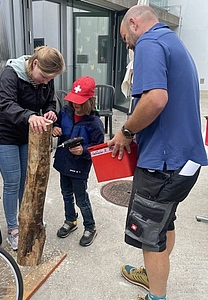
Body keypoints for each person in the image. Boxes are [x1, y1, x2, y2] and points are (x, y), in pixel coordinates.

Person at [108, 5, 208, 300]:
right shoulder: (173, 42)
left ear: (135, 24)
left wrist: (125, 132)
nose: (128, 45)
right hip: (184, 160)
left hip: (163, 164)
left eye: (126, 38)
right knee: (165, 223)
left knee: (149, 236)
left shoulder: (149, 43)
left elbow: (155, 100)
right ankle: (151, 276)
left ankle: (156, 296)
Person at [0, 46, 65, 251]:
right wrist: (30, 116)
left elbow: (49, 101)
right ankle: (13, 229)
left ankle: (26, 219)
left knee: (26, 179)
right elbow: (7, 103)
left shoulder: (46, 75)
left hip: (25, 132)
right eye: (44, 77)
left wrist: (49, 113)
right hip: (3, 133)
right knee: (12, 182)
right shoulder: (11, 74)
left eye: (50, 79)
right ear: (34, 64)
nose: (46, 81)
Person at [53, 76, 105, 247]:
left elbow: (99, 149)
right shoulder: (65, 113)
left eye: (80, 102)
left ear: (90, 101)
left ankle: (90, 226)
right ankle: (70, 220)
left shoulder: (95, 123)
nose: (76, 105)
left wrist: (84, 151)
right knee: (66, 194)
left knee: (81, 198)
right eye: (74, 100)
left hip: (79, 166)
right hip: (63, 162)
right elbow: (58, 125)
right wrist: (56, 128)